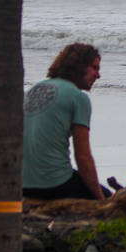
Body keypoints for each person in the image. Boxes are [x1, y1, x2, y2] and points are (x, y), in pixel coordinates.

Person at [22, 43, 113, 200]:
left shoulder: (33, 90)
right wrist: (101, 200)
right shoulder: (78, 97)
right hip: (55, 184)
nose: (98, 75)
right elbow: (83, 156)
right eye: (94, 68)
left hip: (21, 184)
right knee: (108, 196)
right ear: (78, 66)